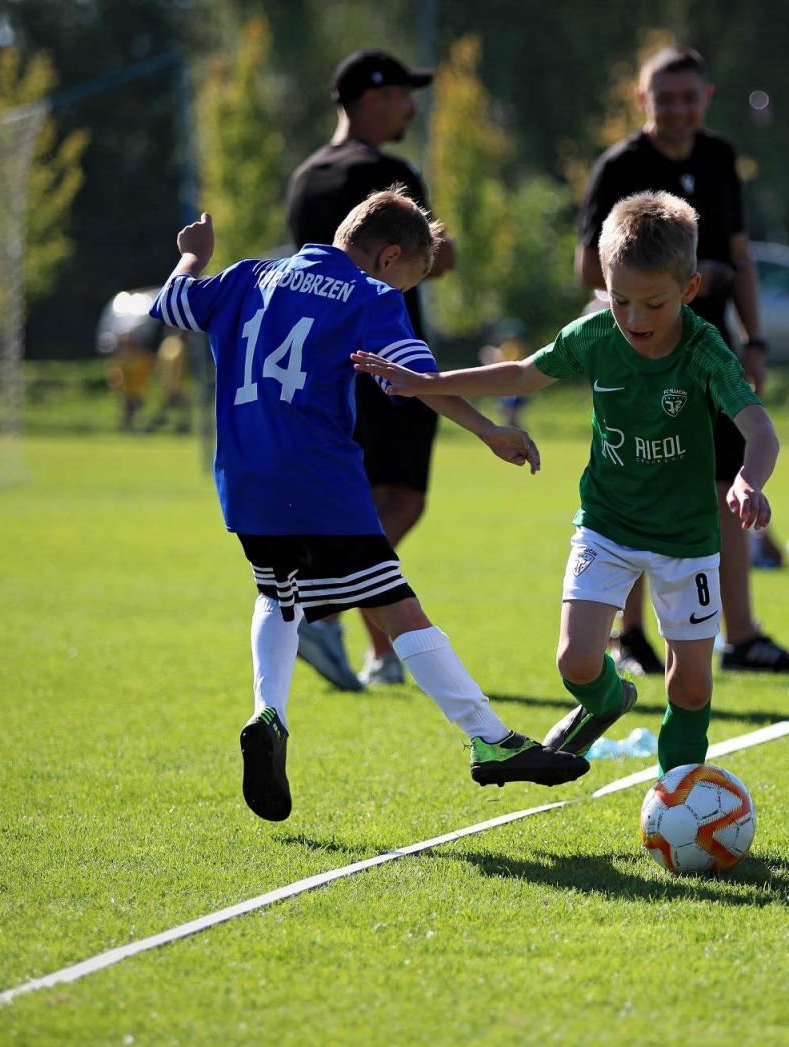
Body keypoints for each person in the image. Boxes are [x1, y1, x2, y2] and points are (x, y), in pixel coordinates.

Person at [148, 191, 588, 822]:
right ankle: (490, 739)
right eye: (409, 280)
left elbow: (172, 302)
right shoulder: (369, 295)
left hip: (243, 477)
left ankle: (268, 714)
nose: (403, 293)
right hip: (318, 477)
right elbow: (413, 382)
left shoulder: (249, 275)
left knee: (278, 592)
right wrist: (489, 429)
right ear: (388, 258)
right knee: (396, 604)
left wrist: (193, 255)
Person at [354, 192, 780, 774]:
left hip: (687, 537)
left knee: (690, 687)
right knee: (576, 662)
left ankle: (679, 794)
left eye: (653, 304)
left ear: (688, 290)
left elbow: (760, 429)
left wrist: (749, 480)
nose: (635, 319)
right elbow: (521, 374)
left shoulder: (705, 351)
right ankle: (606, 699)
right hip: (607, 523)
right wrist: (424, 382)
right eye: (621, 300)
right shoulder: (595, 335)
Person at [575, 44, 789, 675]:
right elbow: (587, 267)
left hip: (709, 347)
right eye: (665, 98)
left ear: (705, 98)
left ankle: (742, 636)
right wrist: (659, 285)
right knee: (640, 482)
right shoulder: (621, 166)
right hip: (642, 353)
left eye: (689, 97)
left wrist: (754, 340)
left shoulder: (719, 157)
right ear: (642, 100)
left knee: (726, 483)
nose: (678, 109)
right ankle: (628, 635)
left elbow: (740, 256)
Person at [285, 49, 456, 690]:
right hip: (385, 355)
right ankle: (321, 610)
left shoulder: (305, 178)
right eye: (404, 96)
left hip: (320, 364)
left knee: (356, 502)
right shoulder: (388, 173)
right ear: (374, 98)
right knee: (401, 499)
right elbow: (437, 256)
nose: (411, 108)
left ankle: (381, 655)